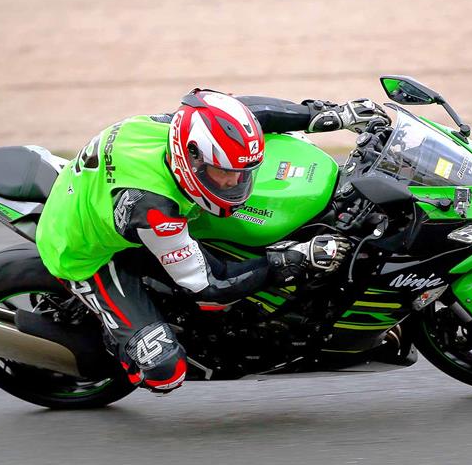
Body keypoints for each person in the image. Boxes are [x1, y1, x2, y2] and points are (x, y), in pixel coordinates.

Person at [35, 90, 390, 393]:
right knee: (165, 371)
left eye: (242, 172)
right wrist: (289, 260)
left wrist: (330, 115)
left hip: (99, 196)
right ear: (191, 158)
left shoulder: (184, 128)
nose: (235, 182)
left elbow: (246, 115)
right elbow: (208, 283)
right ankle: (114, 350)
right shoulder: (154, 210)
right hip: (85, 252)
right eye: (225, 174)